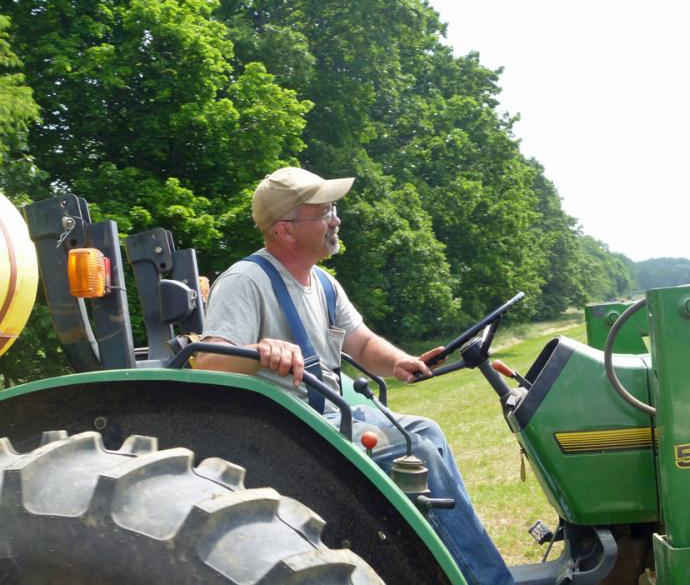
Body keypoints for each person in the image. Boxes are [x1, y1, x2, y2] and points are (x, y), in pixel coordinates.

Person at [195, 167, 513, 585]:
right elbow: (208, 362)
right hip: (291, 433)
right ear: (286, 230)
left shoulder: (323, 283)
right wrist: (258, 352)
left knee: (428, 432)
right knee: (415, 445)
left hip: (329, 419)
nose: (336, 220)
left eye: (334, 209)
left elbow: (360, 343)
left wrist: (399, 362)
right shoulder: (246, 280)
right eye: (324, 212)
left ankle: (453, 567)